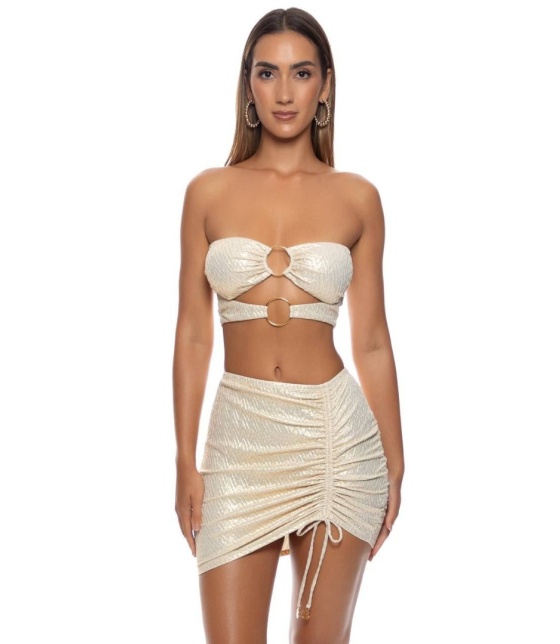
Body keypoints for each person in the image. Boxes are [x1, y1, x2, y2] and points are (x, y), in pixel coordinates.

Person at [172, 7, 404, 643]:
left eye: (301, 73)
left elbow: (372, 341)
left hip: (335, 445)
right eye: (267, 72)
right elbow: (193, 334)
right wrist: (185, 459)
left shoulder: (357, 197)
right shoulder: (207, 192)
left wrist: (395, 459)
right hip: (238, 440)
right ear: (247, 84)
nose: (283, 92)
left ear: (324, 86)